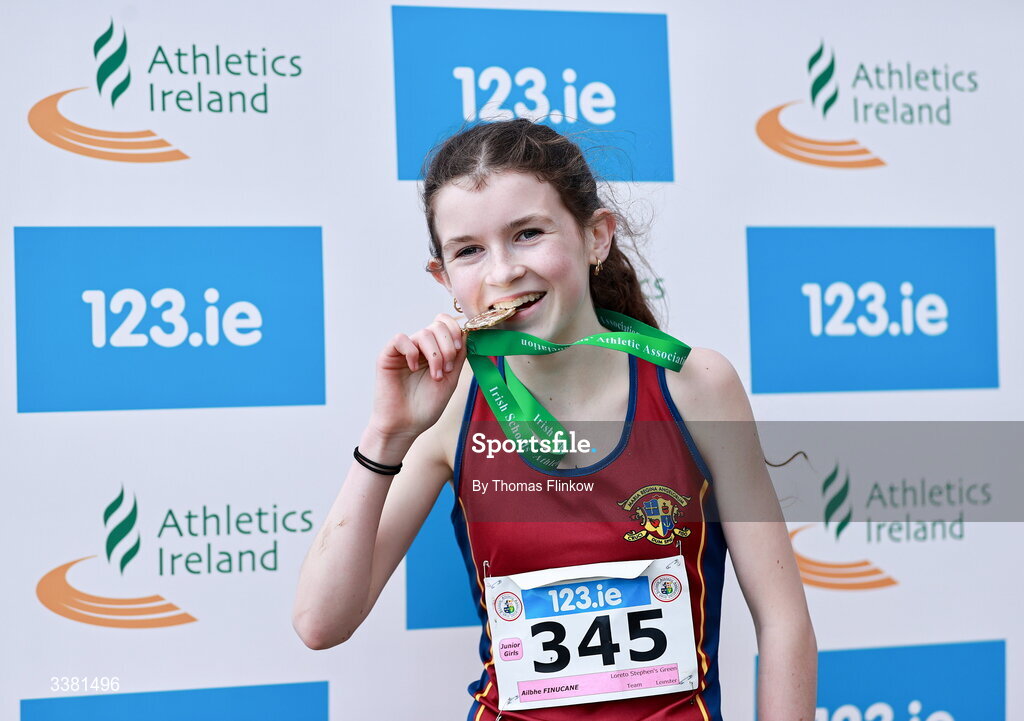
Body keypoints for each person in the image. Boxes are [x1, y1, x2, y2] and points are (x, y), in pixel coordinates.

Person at [292, 119, 816, 720]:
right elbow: (319, 623)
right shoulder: (452, 407)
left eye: (528, 234)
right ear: (444, 278)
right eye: (468, 250)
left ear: (596, 238)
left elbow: (783, 623)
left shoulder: (696, 385)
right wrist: (387, 434)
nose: (502, 271)